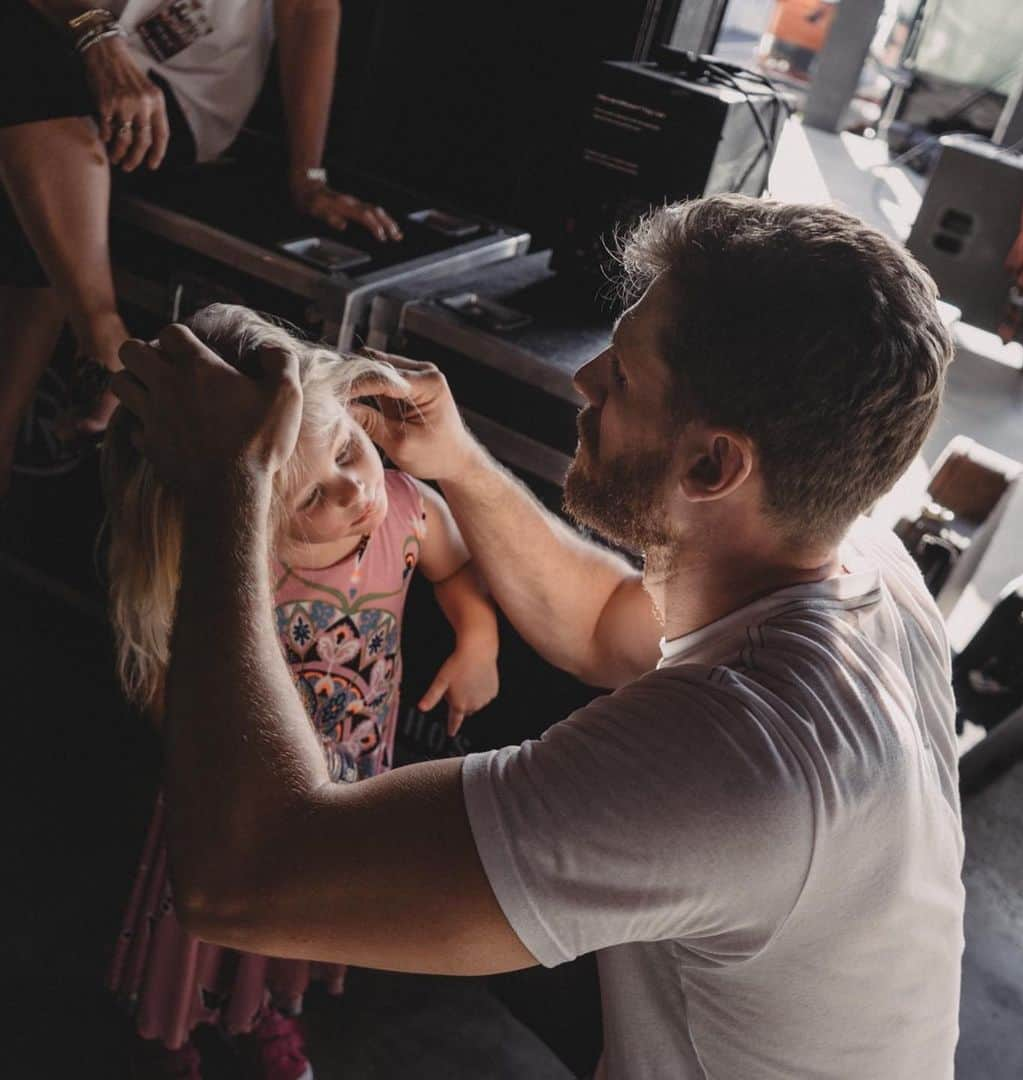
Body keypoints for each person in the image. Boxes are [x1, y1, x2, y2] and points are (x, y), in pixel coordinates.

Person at [113, 195, 965, 1079]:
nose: (585, 377)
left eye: (625, 375)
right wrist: (459, 463)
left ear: (713, 466)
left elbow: (240, 878)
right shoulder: (855, 553)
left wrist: (230, 483)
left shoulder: (734, 763)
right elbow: (604, 626)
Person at [103, 305, 498, 1079]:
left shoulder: (410, 510)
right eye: (312, 496)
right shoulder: (226, 558)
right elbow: (164, 677)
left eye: (350, 451)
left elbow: (456, 570)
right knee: (211, 917)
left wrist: (477, 639)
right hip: (235, 790)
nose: (356, 491)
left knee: (305, 912)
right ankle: (177, 1028)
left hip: (345, 781)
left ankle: (269, 1016)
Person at [0, 1, 402, 492]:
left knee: (23, 78)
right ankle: (94, 354)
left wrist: (309, 175)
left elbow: (309, 10)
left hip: (177, 90)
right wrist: (96, 36)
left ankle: (96, 344)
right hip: (66, 38)